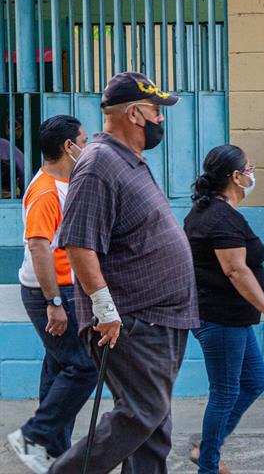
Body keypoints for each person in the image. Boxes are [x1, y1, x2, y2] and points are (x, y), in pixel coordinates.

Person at [48, 72, 199, 473]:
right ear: (135, 114)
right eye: (156, 111)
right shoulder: (99, 165)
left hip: (159, 317)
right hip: (131, 320)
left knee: (153, 425)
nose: (161, 120)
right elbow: (80, 244)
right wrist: (105, 310)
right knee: (141, 413)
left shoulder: (128, 161)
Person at [185, 145, 264, 473]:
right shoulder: (218, 217)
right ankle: (208, 464)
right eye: (249, 169)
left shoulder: (217, 212)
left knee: (254, 381)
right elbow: (236, 270)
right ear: (235, 177)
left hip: (231, 317)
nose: (252, 174)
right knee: (226, 391)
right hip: (219, 317)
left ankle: (207, 447)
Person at [8, 116, 95, 474]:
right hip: (51, 290)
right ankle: (35, 435)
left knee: (59, 364)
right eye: (83, 141)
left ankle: (54, 449)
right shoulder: (46, 191)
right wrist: (54, 302)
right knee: (83, 365)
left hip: (63, 287)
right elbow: (40, 248)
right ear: (68, 147)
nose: (87, 148)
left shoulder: (62, 183)